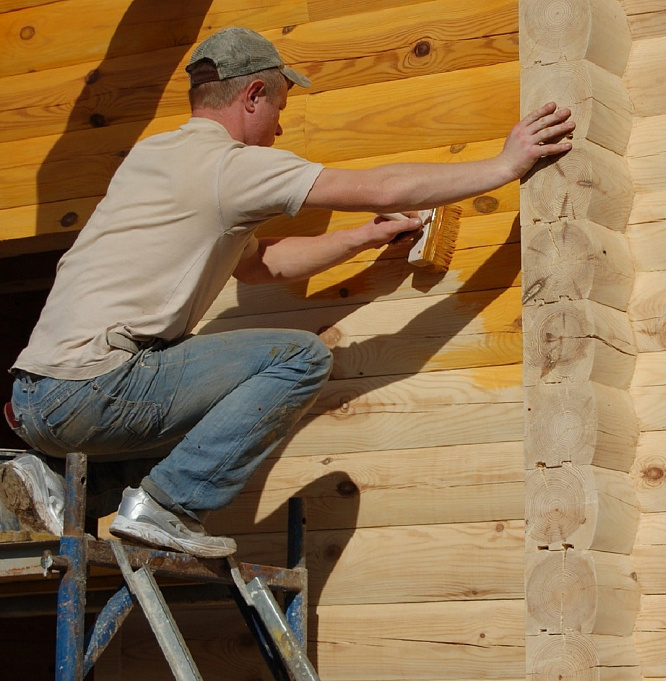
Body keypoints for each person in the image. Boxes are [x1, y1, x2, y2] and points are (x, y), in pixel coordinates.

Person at [0, 27, 573, 558]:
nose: (279, 127)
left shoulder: (157, 158)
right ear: (252, 95)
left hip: (39, 399)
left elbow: (259, 265)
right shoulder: (231, 167)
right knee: (300, 358)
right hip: (95, 388)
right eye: (278, 107)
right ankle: (166, 508)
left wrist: (364, 236)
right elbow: (380, 185)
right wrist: (504, 165)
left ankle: (58, 483)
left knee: (211, 410)